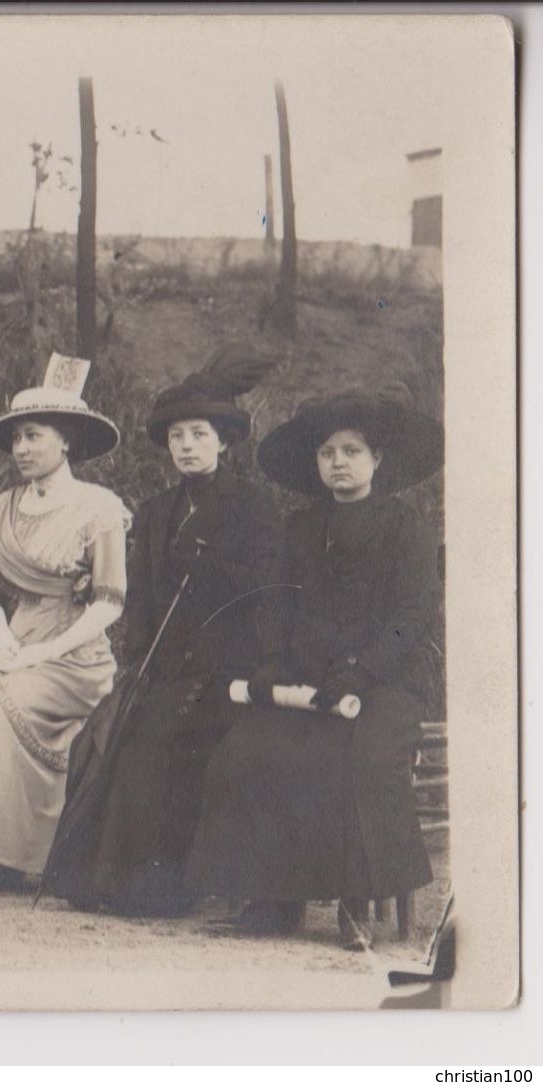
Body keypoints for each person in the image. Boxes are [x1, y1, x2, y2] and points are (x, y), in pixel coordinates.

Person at [185, 382, 442, 948]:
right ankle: (272, 901)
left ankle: (355, 903)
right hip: (309, 677)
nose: (338, 463)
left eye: (351, 451)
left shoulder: (408, 529)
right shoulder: (300, 528)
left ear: (377, 458)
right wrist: (276, 661)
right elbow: (277, 603)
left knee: (363, 758)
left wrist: (360, 669)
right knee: (247, 749)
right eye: (327, 453)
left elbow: (412, 616)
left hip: (387, 680)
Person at [41, 348, 280, 916]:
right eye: (177, 437)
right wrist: (139, 660)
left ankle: (169, 888)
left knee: (167, 749)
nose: (187, 446)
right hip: (165, 668)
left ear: (224, 441)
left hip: (229, 671)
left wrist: (211, 568)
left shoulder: (253, 507)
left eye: (199, 434)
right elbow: (142, 596)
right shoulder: (154, 511)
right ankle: (109, 882)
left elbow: (266, 592)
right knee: (122, 742)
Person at [0, 356, 131, 893]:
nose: (21, 448)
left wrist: (42, 655)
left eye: (33, 436)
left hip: (76, 656)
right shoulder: (1, 507)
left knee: (2, 712)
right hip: (17, 642)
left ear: (65, 440)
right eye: (16, 438)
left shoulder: (100, 507)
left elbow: (109, 602)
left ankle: (21, 858)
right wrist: (6, 645)